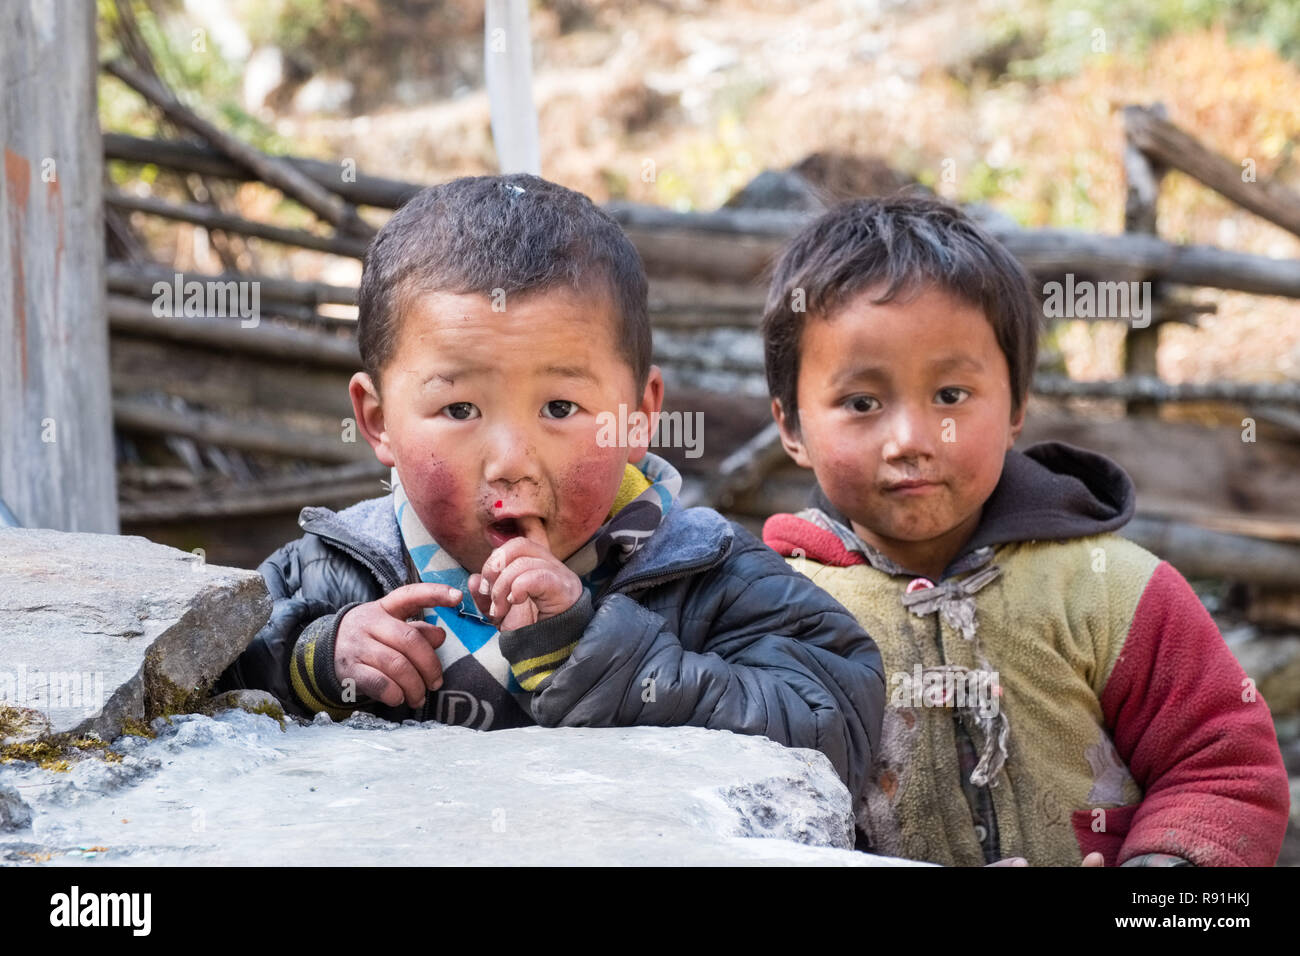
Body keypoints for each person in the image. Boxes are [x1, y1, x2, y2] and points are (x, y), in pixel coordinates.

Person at [217, 173, 885, 807]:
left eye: (560, 408)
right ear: (377, 419)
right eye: (459, 409)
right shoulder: (329, 572)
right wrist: (313, 659)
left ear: (639, 416)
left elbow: (837, 724)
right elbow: (200, 689)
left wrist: (605, 658)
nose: (511, 462)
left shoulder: (708, 574)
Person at [759, 192, 1290, 866]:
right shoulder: (773, 613)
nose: (910, 440)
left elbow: (1221, 763)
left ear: (1016, 406)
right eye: (862, 402)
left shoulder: (1111, 591)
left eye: (950, 395)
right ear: (791, 425)